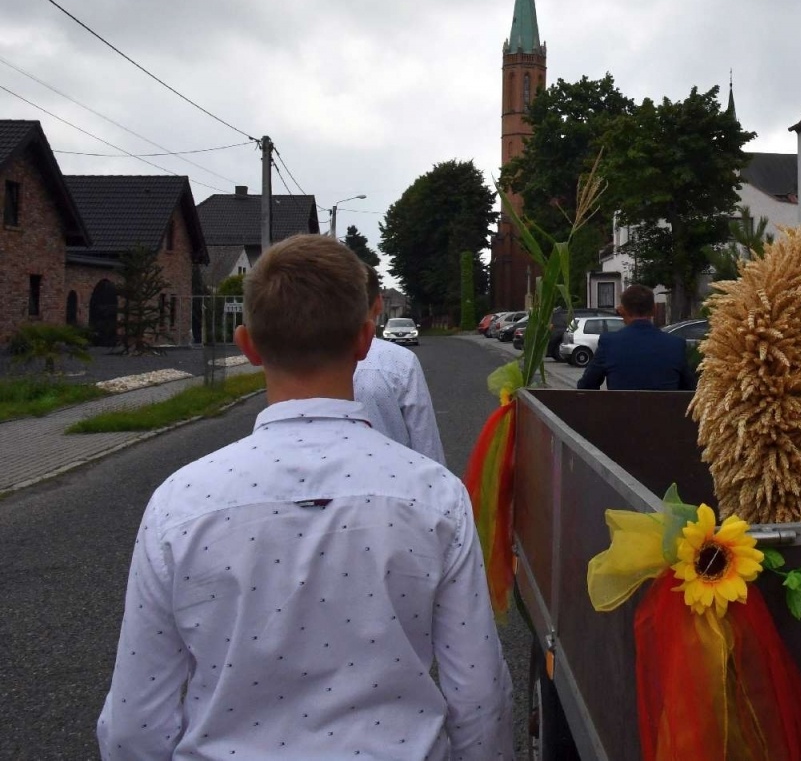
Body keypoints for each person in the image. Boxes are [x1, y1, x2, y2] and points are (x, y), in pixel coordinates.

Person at [98, 234, 513, 760]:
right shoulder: (435, 498)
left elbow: (135, 722)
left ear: (246, 346)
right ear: (365, 341)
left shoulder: (179, 504)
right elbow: (478, 696)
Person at [354, 264, 446, 466]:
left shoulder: (294, 360)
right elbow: (426, 444)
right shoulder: (400, 361)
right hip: (396, 483)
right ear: (378, 304)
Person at [576, 283, 695, 391]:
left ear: (622, 310)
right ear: (654, 309)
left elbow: (586, 386)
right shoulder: (676, 345)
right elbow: (689, 389)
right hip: (664, 414)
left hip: (620, 413)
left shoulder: (609, 343)